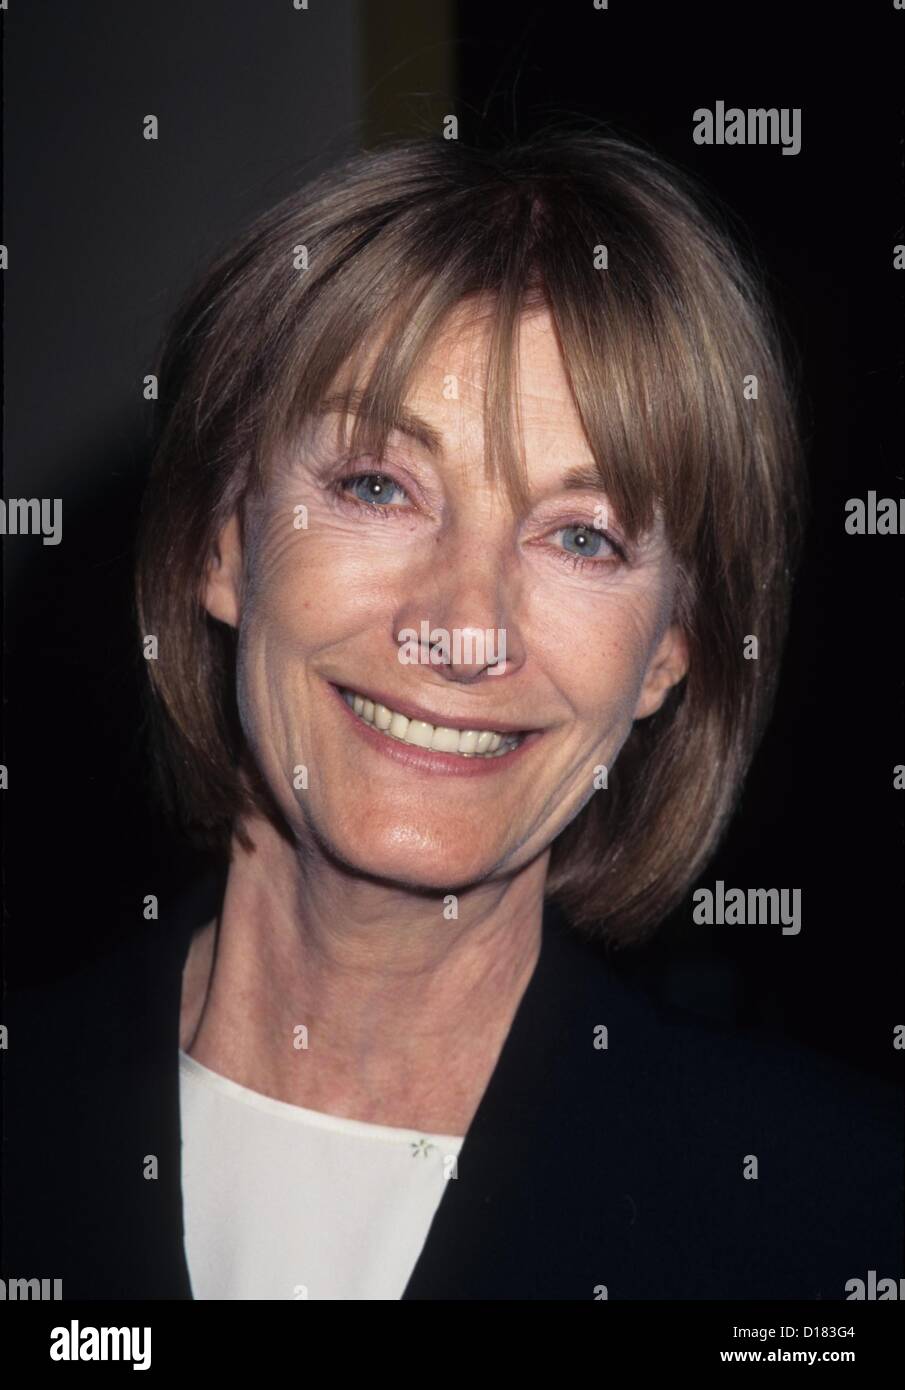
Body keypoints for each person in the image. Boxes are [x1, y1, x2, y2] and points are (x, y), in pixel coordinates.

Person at [3, 133, 901, 1301]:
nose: (462, 628)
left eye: (581, 536)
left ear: (668, 655)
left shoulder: (832, 1222)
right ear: (221, 543)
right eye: (378, 487)